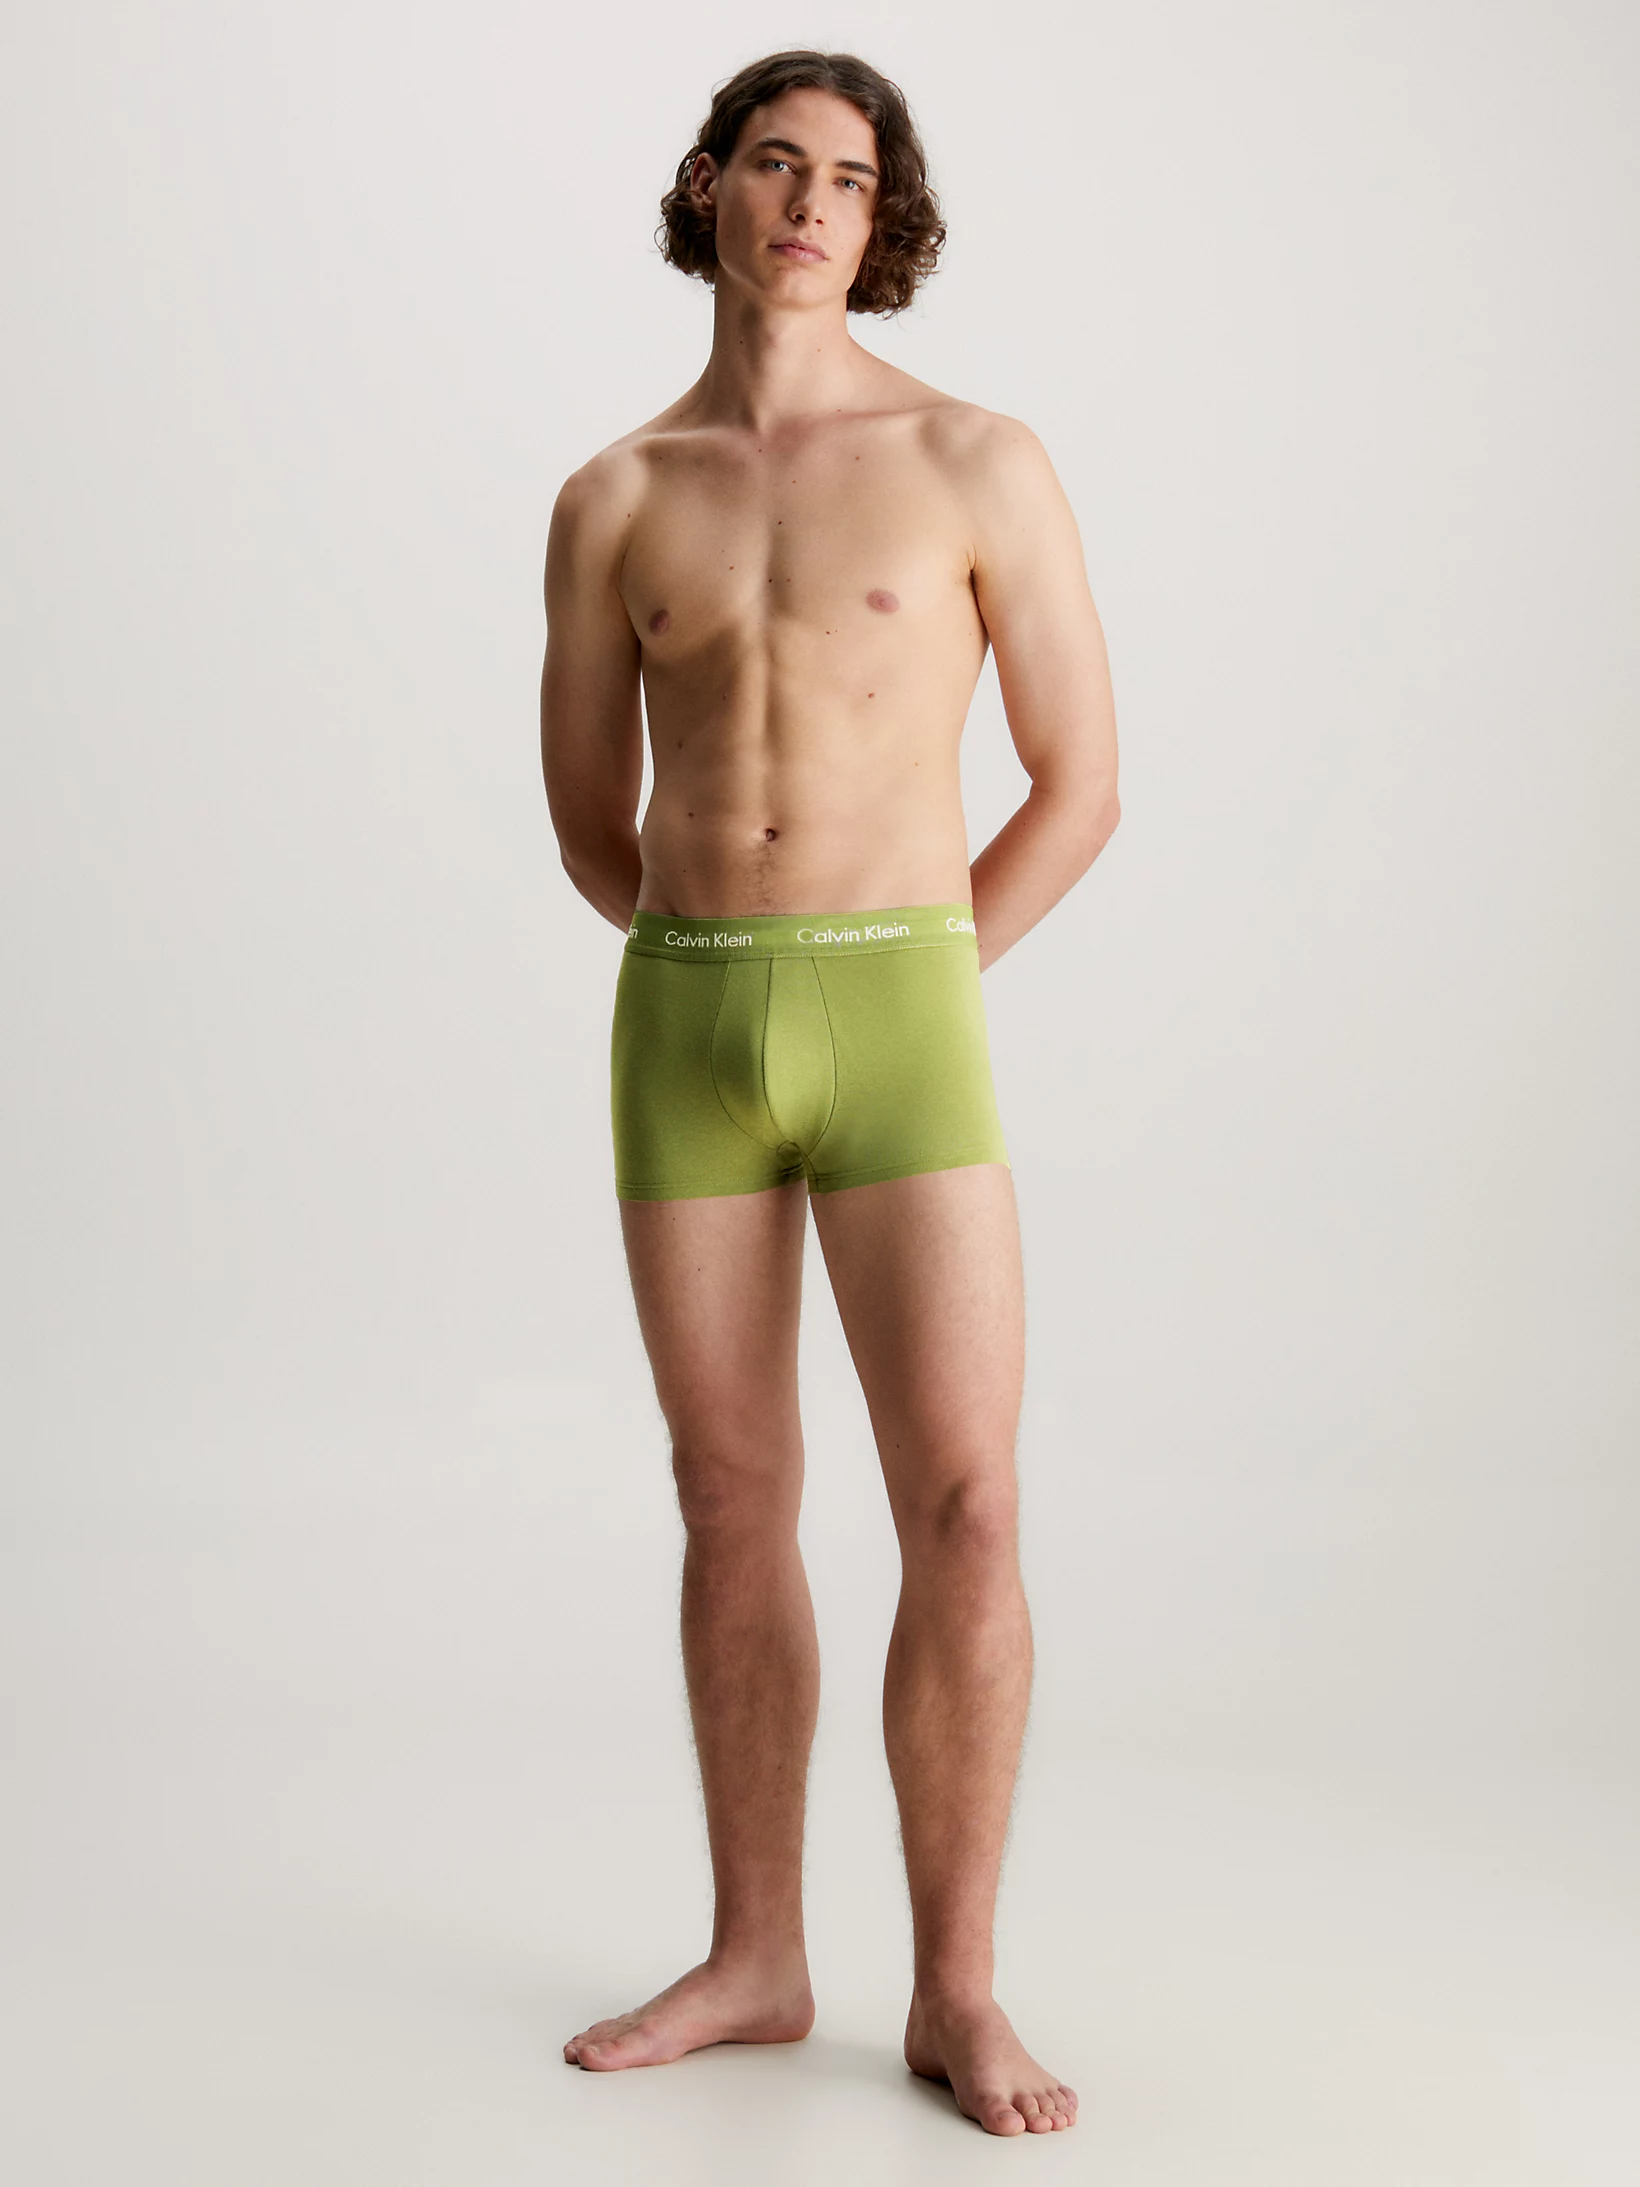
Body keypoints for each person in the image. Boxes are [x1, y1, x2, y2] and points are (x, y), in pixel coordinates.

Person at [539, 47, 1119, 2139]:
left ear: (885, 224)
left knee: (965, 1500)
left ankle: (956, 1989)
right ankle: (758, 1953)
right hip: (688, 1025)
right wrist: (724, 950)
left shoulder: (973, 458)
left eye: (851, 180)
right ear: (708, 185)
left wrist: (906, 966)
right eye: (775, 163)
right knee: (730, 1496)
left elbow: (1081, 782)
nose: (808, 203)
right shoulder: (615, 495)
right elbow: (587, 816)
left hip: (901, 1015)